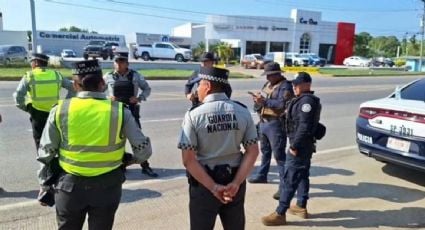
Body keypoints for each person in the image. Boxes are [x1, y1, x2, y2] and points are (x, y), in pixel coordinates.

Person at [37, 60, 152, 229]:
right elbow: (144, 151)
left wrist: (44, 184)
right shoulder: (120, 111)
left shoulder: (61, 109)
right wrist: (128, 160)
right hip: (107, 187)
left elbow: (46, 151)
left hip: (69, 187)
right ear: (102, 84)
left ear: (75, 85)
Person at [178, 66, 259, 230]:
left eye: (199, 85)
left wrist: (214, 187)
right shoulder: (242, 111)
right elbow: (253, 151)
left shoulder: (194, 115)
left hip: (204, 184)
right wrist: (236, 183)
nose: (197, 90)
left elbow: (188, 160)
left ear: (207, 86)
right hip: (234, 183)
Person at [262, 72, 322, 226]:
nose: (294, 86)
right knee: (302, 175)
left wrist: (295, 146)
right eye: (294, 84)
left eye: (297, 84)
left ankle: (280, 213)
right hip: (303, 145)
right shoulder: (300, 100)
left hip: (300, 146)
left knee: (290, 178)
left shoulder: (306, 102)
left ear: (307, 84)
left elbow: (304, 127)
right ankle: (301, 206)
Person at [103, 52, 158, 177]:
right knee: (116, 139)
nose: (119, 64)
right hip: (114, 112)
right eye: (116, 62)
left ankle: (145, 166)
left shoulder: (135, 75)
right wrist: (108, 98)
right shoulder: (108, 76)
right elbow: (99, 90)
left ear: (127, 63)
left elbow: (147, 89)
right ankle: (120, 164)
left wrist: (139, 98)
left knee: (137, 140)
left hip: (131, 111)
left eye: (121, 62)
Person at [13, 53, 74, 150]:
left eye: (31, 62)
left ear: (36, 62)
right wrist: (65, 104)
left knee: (40, 142)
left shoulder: (30, 76)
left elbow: (18, 96)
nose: (31, 64)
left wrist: (27, 108)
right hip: (55, 112)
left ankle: (45, 163)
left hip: (37, 113)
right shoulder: (56, 75)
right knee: (56, 140)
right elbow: (73, 88)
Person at [248, 62, 293, 191]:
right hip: (264, 122)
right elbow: (264, 98)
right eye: (267, 75)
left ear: (278, 74)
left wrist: (264, 101)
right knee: (265, 152)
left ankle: (284, 185)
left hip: (276, 124)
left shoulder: (285, 87)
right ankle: (262, 175)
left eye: (270, 75)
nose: (267, 78)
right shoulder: (268, 84)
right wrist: (258, 101)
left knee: (279, 156)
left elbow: (281, 105)